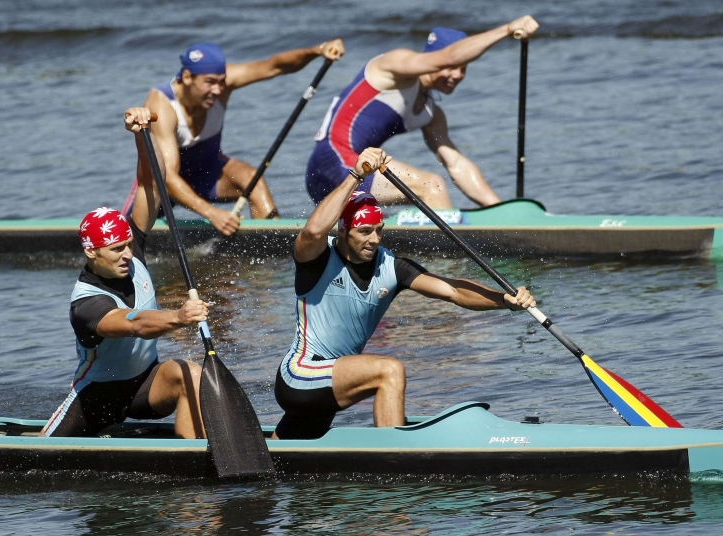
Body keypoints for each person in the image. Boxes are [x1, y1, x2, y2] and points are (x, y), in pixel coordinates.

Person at [273, 147, 537, 440]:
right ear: (343, 231)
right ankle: (395, 457)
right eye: (364, 232)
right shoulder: (317, 261)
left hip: (331, 388)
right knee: (389, 370)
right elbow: (311, 232)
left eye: (379, 230)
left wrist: (503, 300)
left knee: (286, 450)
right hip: (301, 375)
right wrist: (357, 175)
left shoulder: (392, 268)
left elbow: (453, 290)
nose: (374, 239)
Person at [43, 107, 210, 438]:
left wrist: (139, 136)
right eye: (116, 249)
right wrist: (179, 317)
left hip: (145, 385)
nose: (128, 254)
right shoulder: (87, 305)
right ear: (92, 252)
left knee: (192, 375)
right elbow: (136, 325)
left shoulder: (132, 254)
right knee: (35, 459)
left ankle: (193, 461)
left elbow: (150, 184)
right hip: (96, 397)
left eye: (128, 244)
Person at [305, 16, 540, 209]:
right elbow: (449, 55)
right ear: (432, 60)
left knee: (383, 222)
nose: (457, 75)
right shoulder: (394, 65)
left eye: (464, 69)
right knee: (430, 185)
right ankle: (452, 263)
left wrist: (501, 212)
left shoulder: (431, 114)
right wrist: (507, 29)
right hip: (330, 161)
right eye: (452, 67)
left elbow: (456, 164)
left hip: (357, 171)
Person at [123, 39, 346, 237]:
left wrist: (317, 51)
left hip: (207, 176)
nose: (218, 90)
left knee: (252, 179)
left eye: (221, 81)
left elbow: (275, 66)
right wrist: (212, 214)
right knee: (130, 238)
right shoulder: (162, 106)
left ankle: (269, 248)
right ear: (188, 77)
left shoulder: (221, 84)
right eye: (210, 82)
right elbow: (167, 177)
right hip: (161, 187)